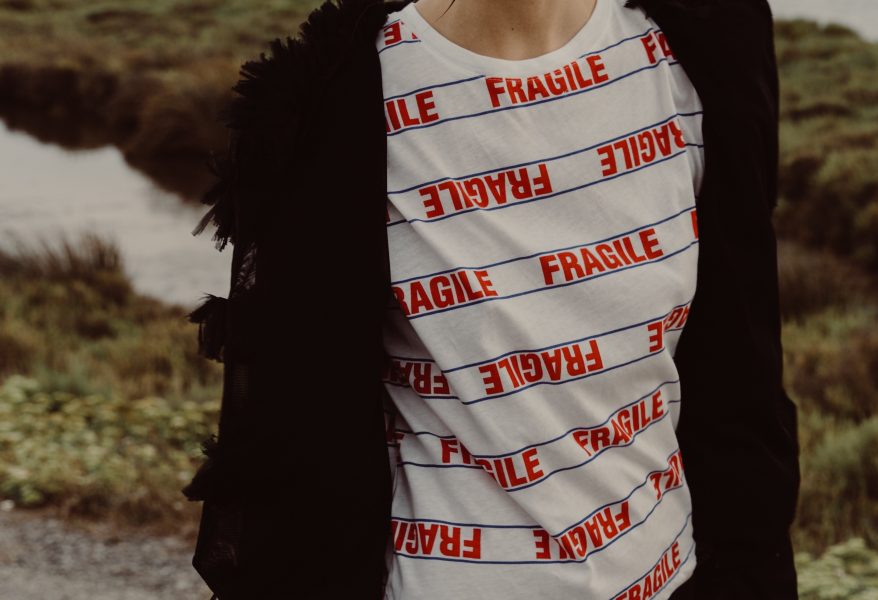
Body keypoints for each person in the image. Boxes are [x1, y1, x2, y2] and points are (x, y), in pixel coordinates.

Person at [182, 0, 799, 598]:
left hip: (670, 577)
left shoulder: (700, 54)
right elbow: (292, 448)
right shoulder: (333, 100)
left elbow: (742, 387)